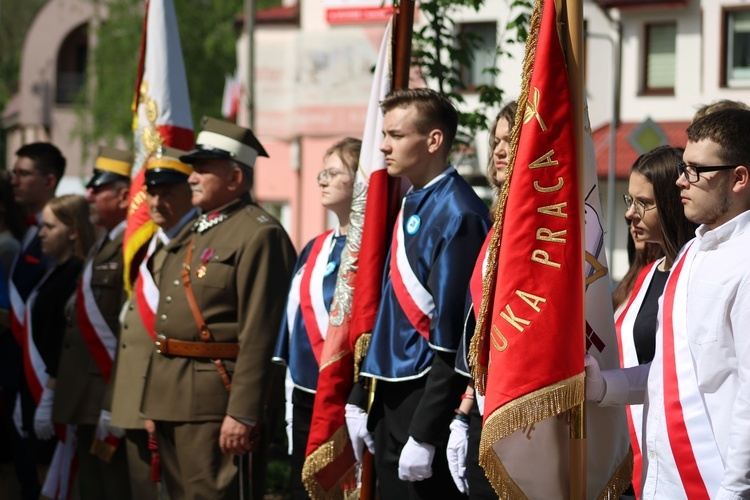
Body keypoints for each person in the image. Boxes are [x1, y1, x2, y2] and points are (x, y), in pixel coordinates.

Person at [586, 108, 750, 498]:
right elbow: (670, 375)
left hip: (715, 485)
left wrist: (734, 491)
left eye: (695, 170)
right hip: (663, 482)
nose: (681, 180)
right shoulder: (692, 253)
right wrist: (604, 385)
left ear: (739, 178)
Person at [140, 117, 297, 500]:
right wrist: (151, 401)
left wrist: (243, 412)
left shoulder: (260, 233)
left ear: (234, 179)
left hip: (217, 401)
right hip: (170, 395)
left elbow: (260, 332)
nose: (191, 178)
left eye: (203, 170)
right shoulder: (199, 230)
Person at [350, 88, 491, 499]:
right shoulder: (412, 200)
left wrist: (426, 432)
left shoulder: (460, 212)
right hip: (391, 392)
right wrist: (360, 394)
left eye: (395, 135)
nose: (383, 145)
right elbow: (389, 309)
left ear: (433, 141)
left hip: (426, 397)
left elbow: (454, 333)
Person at [273, 137, 361, 499]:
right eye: (321, 172)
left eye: (334, 172)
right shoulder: (314, 247)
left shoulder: (372, 248)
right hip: (305, 391)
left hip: (345, 393)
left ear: (360, 180)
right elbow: (292, 316)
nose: (322, 180)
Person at [108, 147, 197, 500]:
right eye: (152, 192)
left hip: (166, 400)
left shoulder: (194, 243)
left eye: (167, 192)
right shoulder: (153, 245)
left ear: (190, 191)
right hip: (134, 399)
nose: (157, 202)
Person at [52, 147, 133, 500]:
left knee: (113, 486)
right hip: (85, 390)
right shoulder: (104, 243)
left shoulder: (131, 246)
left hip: (106, 386)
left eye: (98, 189)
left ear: (125, 195)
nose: (90, 195)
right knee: (92, 487)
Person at [446, 102, 517, 498]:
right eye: (496, 141)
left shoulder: (543, 230)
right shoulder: (499, 222)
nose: (499, 150)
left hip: (518, 410)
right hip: (484, 405)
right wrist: (465, 410)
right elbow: (482, 325)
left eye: (512, 139)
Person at [2, 142, 65, 500]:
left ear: (49, 180)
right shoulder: (26, 230)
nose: (15, 180)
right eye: (15, 172)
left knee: (43, 475)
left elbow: (52, 307)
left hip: (39, 371)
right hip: (16, 367)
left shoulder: (54, 233)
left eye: (24, 173)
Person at [17, 195, 94, 483]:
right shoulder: (54, 271)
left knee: (56, 481)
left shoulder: (76, 273)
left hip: (55, 391)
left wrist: (49, 394)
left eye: (49, 227)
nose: (41, 234)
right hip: (34, 390)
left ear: (73, 230)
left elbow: (64, 339)